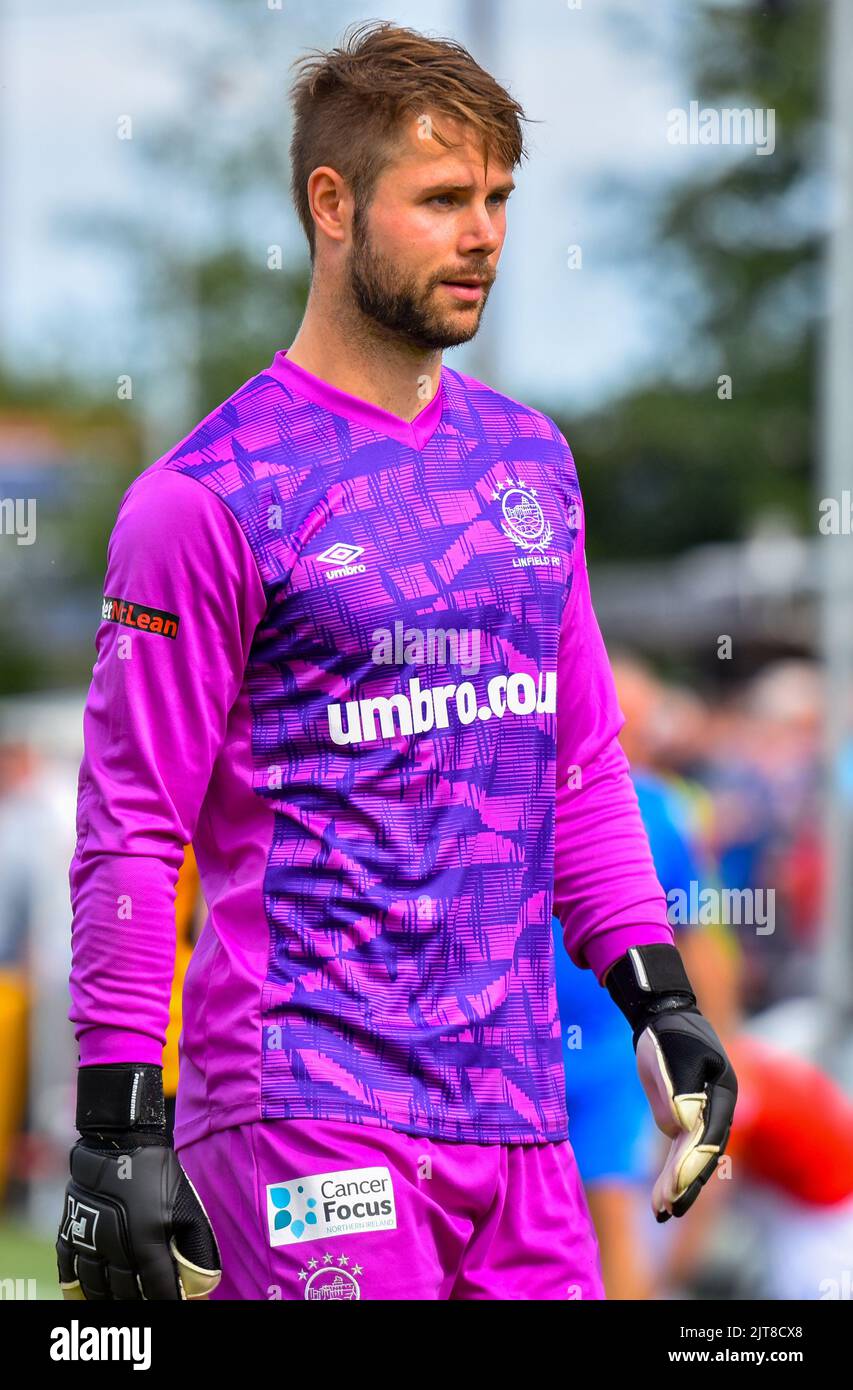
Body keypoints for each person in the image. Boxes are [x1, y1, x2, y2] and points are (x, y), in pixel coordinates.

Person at [56, 21, 736, 1302]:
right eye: (441, 200)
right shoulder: (201, 499)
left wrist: (663, 1000)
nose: (483, 234)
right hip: (305, 1109)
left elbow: (577, 766)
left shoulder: (533, 461)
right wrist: (113, 1120)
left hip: (518, 1113)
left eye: (496, 200)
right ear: (331, 203)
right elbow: (132, 827)